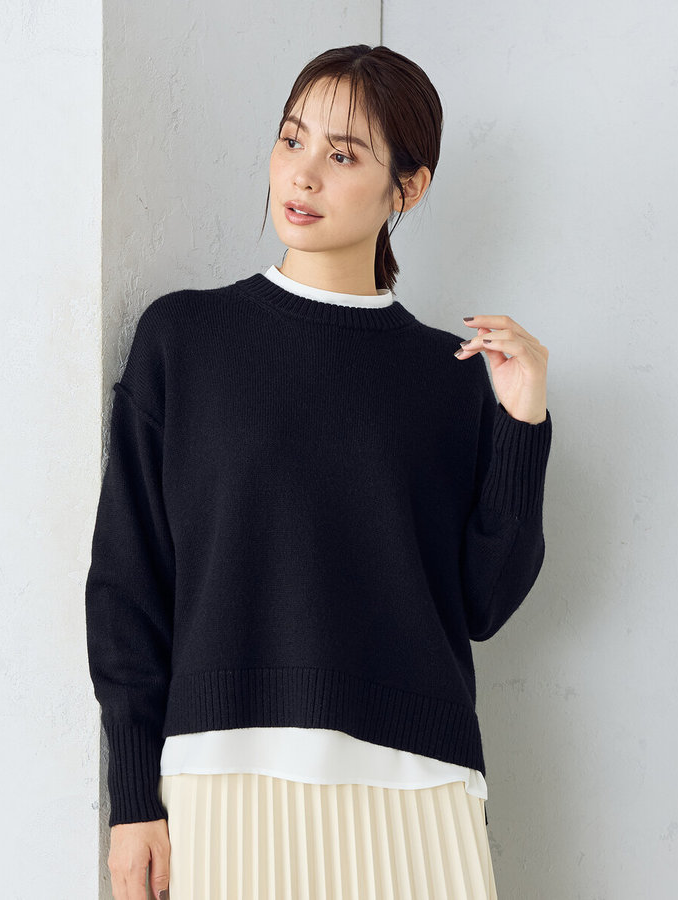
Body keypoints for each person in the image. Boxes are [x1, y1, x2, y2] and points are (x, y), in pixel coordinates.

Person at [85, 44, 551, 900]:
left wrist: (522, 423)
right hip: (224, 776)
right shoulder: (185, 340)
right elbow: (127, 584)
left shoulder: (450, 377)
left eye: (342, 156)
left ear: (408, 188)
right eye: (292, 139)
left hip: (419, 788)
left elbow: (482, 604)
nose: (302, 175)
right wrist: (132, 801)